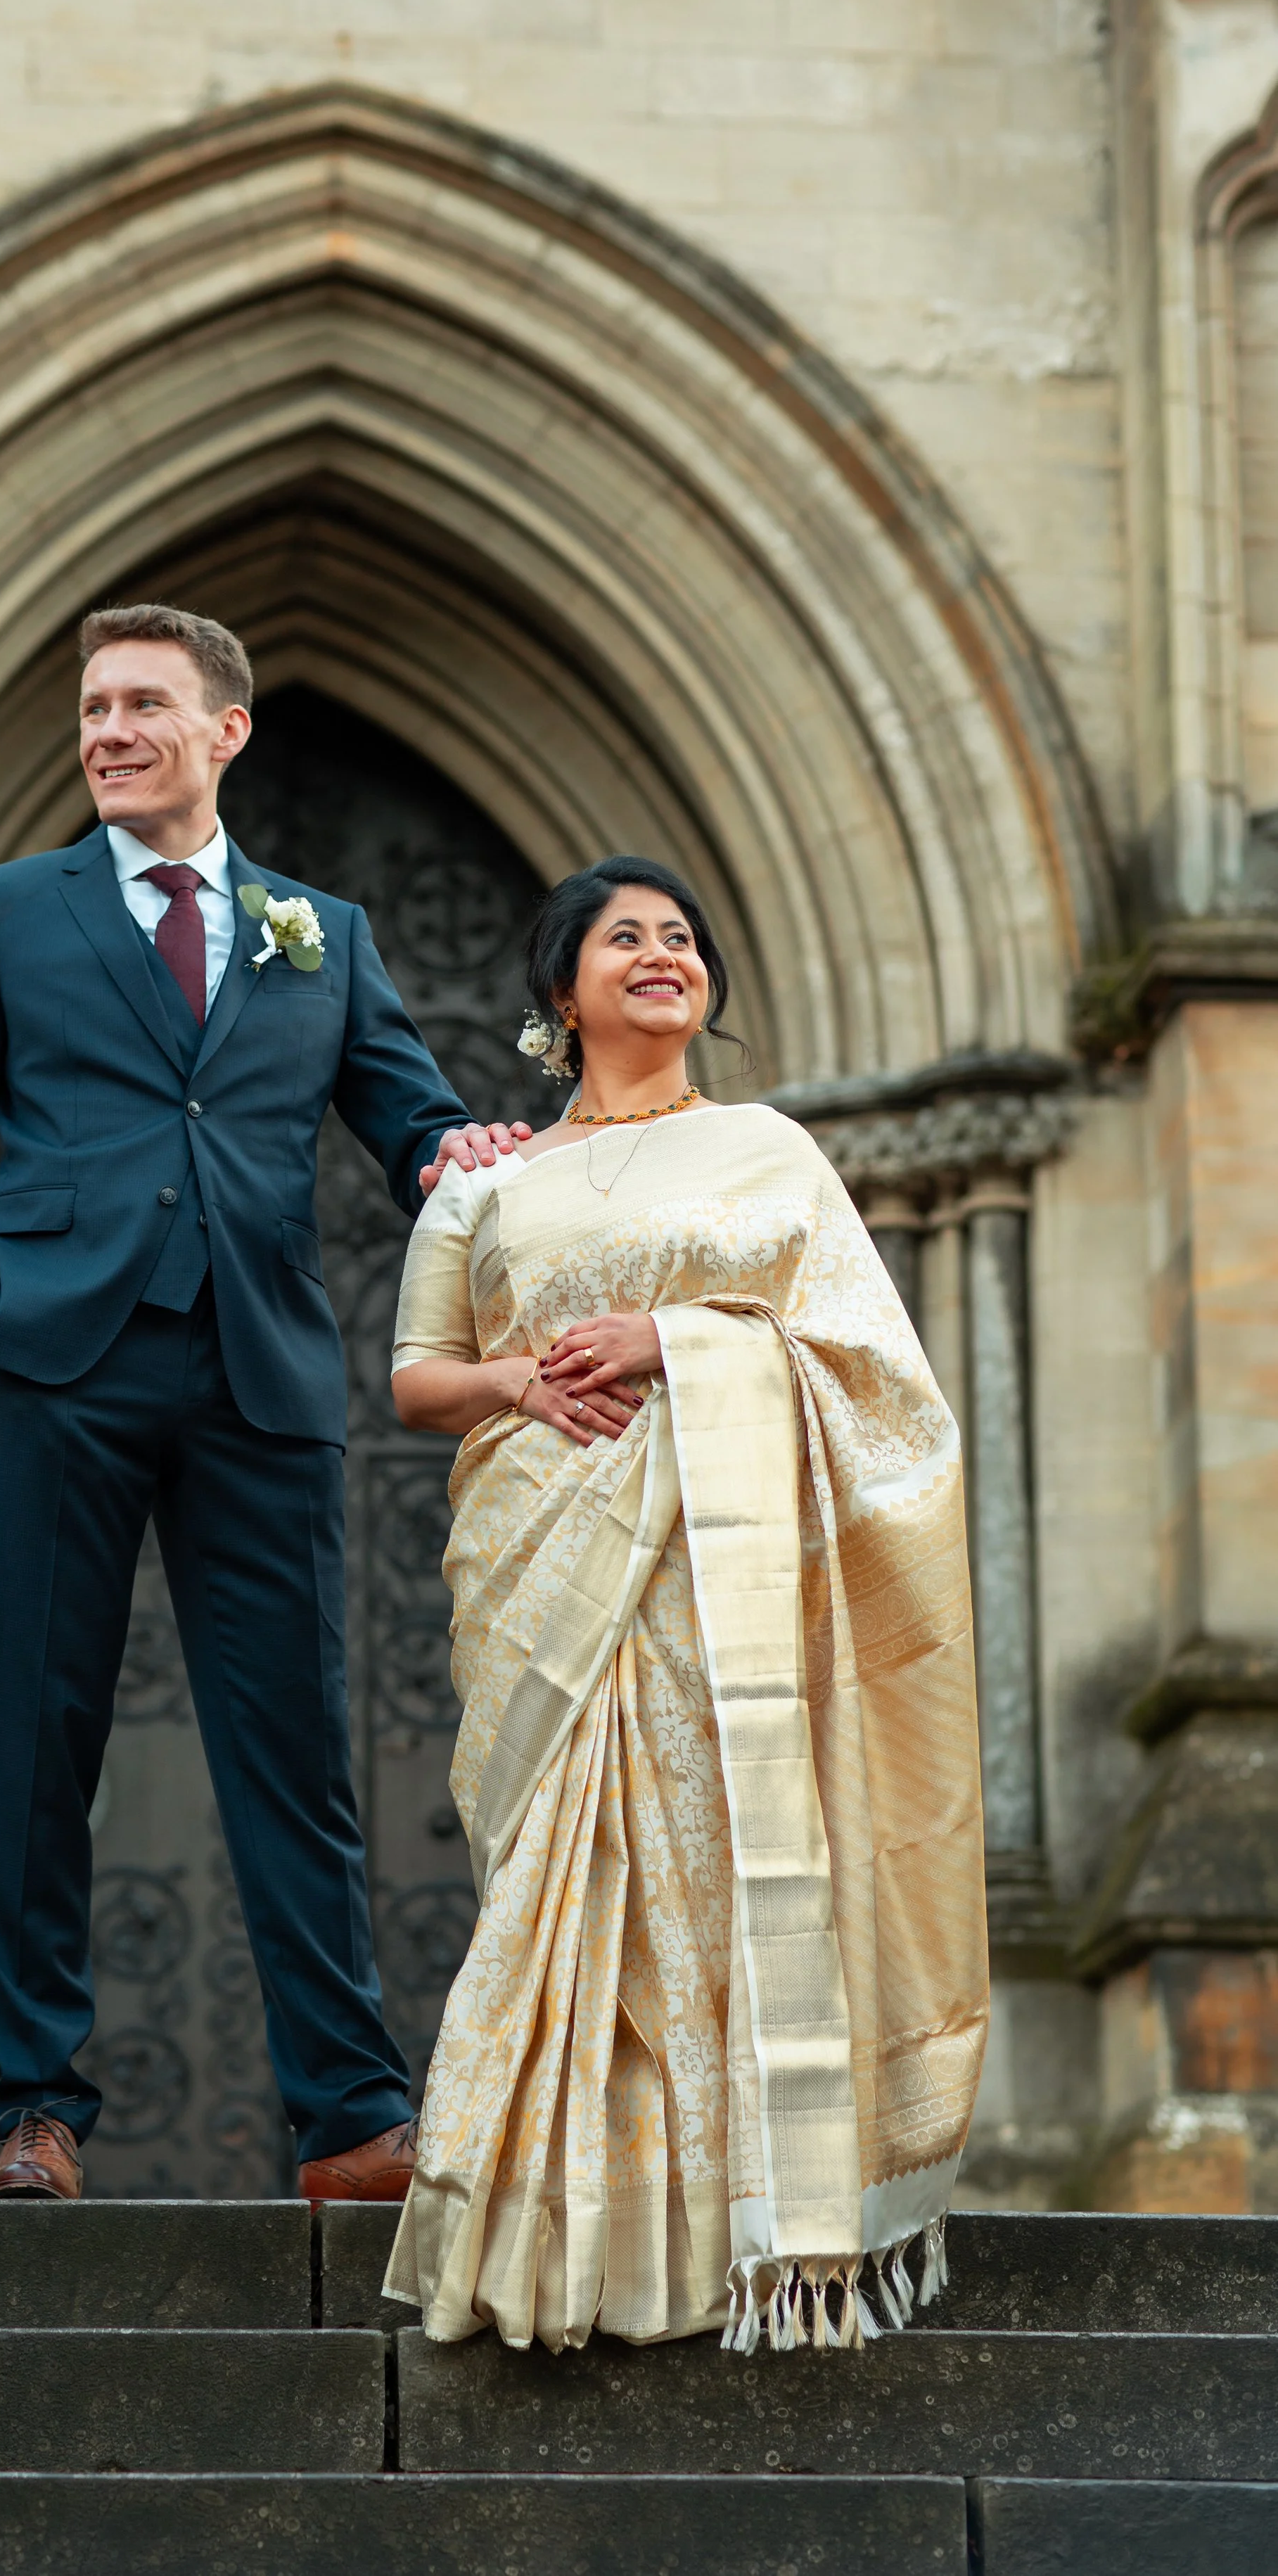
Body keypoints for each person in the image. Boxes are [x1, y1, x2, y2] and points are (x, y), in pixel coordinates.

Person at [0, 603, 528, 2204]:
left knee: (295, 1752)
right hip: (61, 1366)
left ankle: (346, 2119)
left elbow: (408, 1114)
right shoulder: (3, 913)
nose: (106, 730)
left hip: (259, 1377)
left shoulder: (321, 931)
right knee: (35, 1746)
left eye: (141, 706)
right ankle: (36, 2110)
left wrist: (458, 1152)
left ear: (223, 730)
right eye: (93, 707)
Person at [382, 855, 988, 2352]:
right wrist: (523, 1377)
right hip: (541, 1560)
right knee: (562, 1892)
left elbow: (879, 1386)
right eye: (624, 938)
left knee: (715, 1891)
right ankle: (553, 2262)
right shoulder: (487, 1184)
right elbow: (415, 1379)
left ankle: (734, 2246)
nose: (661, 955)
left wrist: (680, 1339)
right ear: (559, 992)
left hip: (726, 1585)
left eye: (681, 939)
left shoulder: (771, 1153)